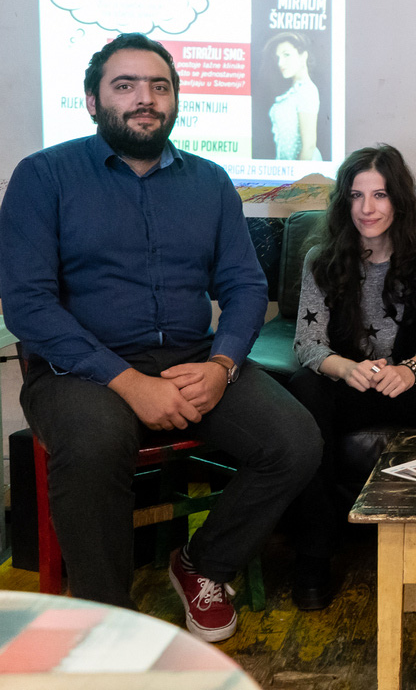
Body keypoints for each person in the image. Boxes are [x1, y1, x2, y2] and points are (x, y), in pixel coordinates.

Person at [0, 33, 321, 642]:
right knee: (95, 443)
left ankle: (203, 564)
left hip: (193, 360)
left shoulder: (209, 181)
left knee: (295, 441)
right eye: (124, 86)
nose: (144, 99)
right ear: (93, 101)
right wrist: (128, 382)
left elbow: (245, 286)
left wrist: (223, 365)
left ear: (175, 100)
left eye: (159, 86)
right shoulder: (44, 176)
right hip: (81, 370)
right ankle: (107, 620)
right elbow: (28, 305)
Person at [287, 144, 416, 609]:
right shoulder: (321, 260)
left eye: (379, 195)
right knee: (306, 387)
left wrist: (411, 369)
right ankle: (314, 555)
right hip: (352, 386)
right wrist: (346, 368)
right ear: (344, 202)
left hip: (407, 384)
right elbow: (306, 343)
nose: (367, 208)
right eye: (356, 196)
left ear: (398, 201)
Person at [266, 31, 321, 161]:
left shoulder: (307, 91)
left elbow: (309, 146)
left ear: (303, 56)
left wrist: (299, 174)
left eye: (286, 55)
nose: (280, 63)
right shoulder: (294, 91)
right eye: (278, 57)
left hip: (303, 167)